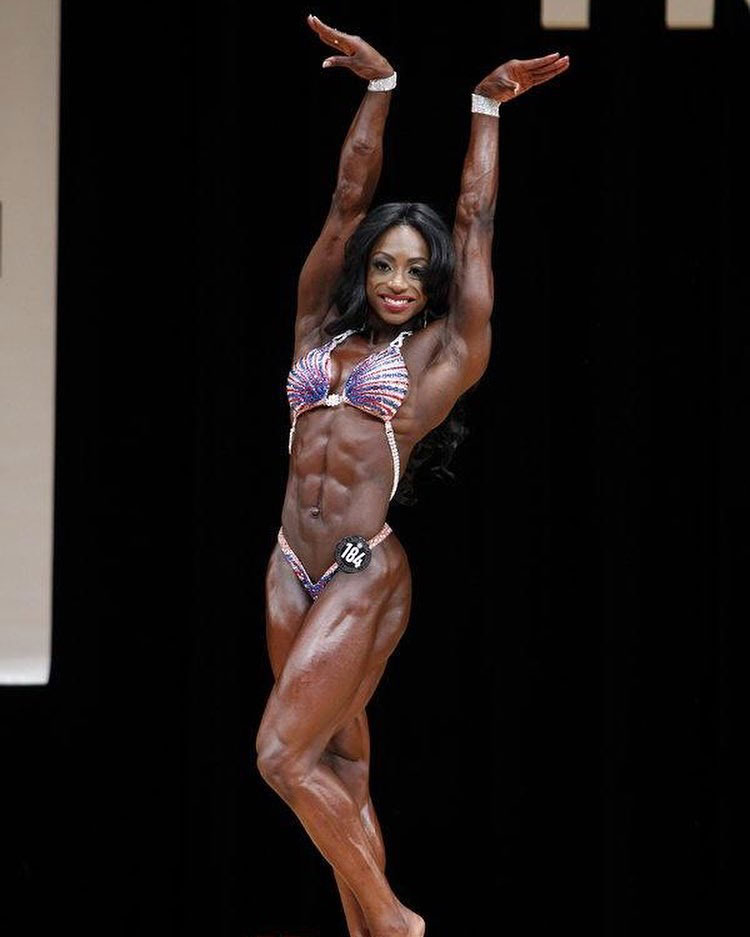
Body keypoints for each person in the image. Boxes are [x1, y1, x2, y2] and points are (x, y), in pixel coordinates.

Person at [256, 14, 569, 937]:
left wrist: (486, 108)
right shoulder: (320, 327)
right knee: (337, 765)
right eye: (386, 266)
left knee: (280, 756)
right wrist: (380, 89)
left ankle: (394, 922)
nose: (397, 279)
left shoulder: (442, 355)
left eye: (415, 272)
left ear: (434, 288)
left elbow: (474, 221)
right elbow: (349, 199)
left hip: (360, 565)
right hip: (287, 564)